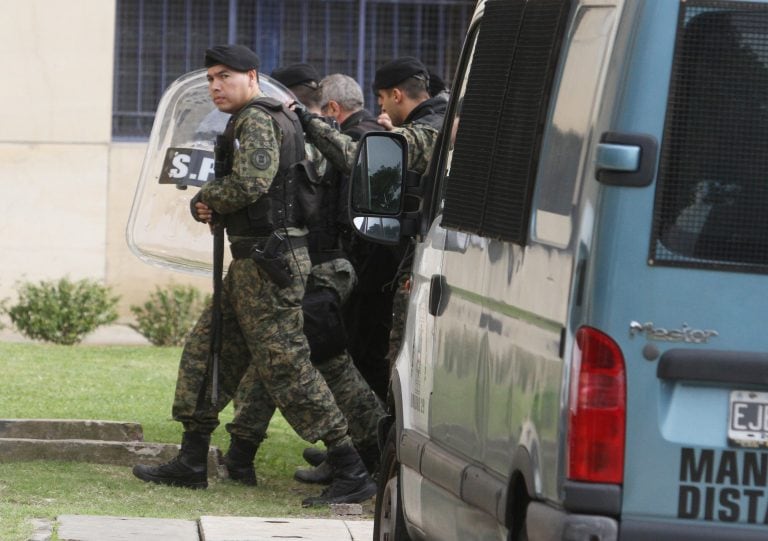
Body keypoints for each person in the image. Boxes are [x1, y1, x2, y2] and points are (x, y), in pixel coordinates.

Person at [131, 44, 376, 508]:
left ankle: (350, 467)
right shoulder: (272, 116)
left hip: (269, 263)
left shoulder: (257, 118)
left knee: (288, 367)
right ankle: (192, 459)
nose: (215, 86)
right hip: (255, 261)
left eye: (224, 76)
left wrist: (208, 195)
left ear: (252, 76)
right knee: (208, 349)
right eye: (209, 78)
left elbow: (251, 183)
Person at [294, 56, 447, 401]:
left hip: (414, 261)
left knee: (389, 358)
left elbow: (359, 159)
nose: (379, 107)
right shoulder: (439, 118)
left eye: (380, 99)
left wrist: (308, 121)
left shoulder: (431, 127)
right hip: (411, 256)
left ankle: (377, 451)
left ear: (395, 94)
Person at [271, 68, 386, 484]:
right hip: (337, 263)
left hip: (332, 264)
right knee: (332, 362)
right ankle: (356, 453)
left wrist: (309, 124)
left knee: (333, 363)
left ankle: (365, 453)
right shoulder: (353, 134)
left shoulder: (349, 139)